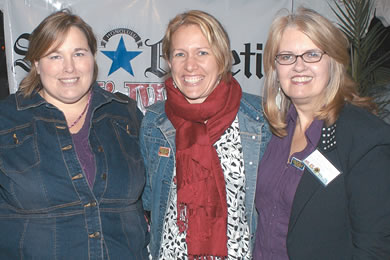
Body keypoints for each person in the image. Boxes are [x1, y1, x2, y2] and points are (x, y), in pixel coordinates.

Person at [0, 9, 149, 259]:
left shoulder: (127, 115)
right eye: (55, 56)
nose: (69, 68)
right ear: (36, 64)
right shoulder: (6, 119)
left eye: (79, 53)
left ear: (93, 58)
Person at [254, 7, 390, 259]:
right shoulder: (273, 131)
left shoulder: (365, 138)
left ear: (334, 61)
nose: (298, 66)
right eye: (286, 56)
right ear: (275, 67)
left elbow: (375, 249)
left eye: (312, 54)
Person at [140, 10, 271, 260]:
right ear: (168, 62)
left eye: (202, 52)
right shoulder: (154, 122)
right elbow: (148, 202)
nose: (190, 65)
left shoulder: (259, 120)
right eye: (180, 54)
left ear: (221, 58)